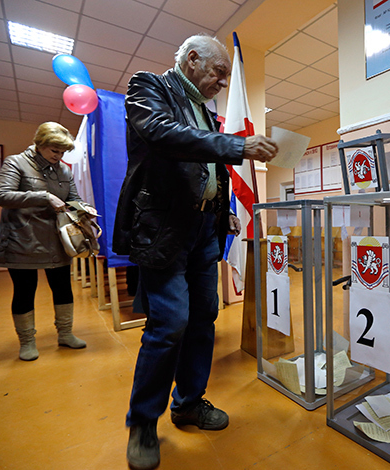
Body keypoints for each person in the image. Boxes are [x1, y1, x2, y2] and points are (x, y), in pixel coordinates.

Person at [113, 34, 277, 470]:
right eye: (218, 73)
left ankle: (187, 403)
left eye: (226, 76)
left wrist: (222, 212)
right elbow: (164, 136)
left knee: (204, 315)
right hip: (164, 229)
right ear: (191, 59)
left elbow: (211, 169)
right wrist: (238, 146)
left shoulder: (207, 112)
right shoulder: (148, 87)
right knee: (170, 323)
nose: (222, 83)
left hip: (204, 227)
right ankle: (143, 423)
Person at [0, 122, 94, 361]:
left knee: (62, 287)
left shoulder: (64, 170)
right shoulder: (16, 162)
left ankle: (66, 334)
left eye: (62, 153)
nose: (58, 157)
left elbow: (73, 199)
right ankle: (27, 342)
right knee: (25, 290)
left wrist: (84, 212)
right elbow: (2, 195)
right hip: (22, 238)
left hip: (56, 239)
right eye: (54, 151)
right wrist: (44, 196)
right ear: (39, 145)